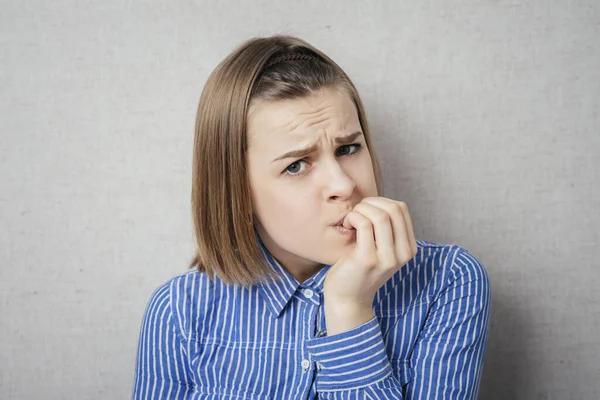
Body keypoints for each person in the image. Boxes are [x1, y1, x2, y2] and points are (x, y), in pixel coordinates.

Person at [132, 34, 491, 400]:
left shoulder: (447, 281)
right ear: (236, 190)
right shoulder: (179, 312)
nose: (343, 184)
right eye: (297, 165)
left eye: (348, 148)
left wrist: (349, 308)